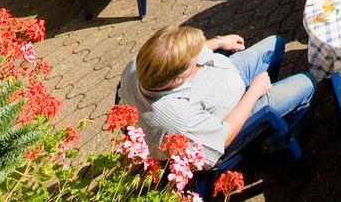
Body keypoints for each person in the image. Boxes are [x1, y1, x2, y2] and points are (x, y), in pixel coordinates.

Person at [118, 26, 316, 166]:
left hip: (228, 75)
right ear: (177, 80)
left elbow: (181, 54)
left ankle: (274, 113)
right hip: (237, 117)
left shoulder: (139, 65)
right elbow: (224, 137)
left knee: (276, 43)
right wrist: (255, 92)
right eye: (194, 64)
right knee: (307, 82)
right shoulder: (177, 119)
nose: (199, 60)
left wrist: (219, 42)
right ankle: (273, 144)